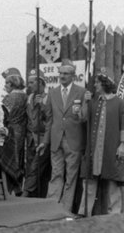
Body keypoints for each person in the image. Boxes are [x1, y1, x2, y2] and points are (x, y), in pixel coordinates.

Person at [37, 59, 87, 212]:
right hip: (56, 140)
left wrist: (80, 113)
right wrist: (45, 142)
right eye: (61, 73)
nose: (62, 76)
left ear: (73, 75)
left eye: (66, 74)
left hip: (74, 141)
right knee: (56, 175)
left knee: (71, 178)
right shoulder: (53, 93)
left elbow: (84, 118)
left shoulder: (82, 92)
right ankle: (51, 210)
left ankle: (65, 210)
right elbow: (49, 120)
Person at [78, 67, 124, 216]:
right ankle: (84, 212)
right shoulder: (93, 102)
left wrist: (122, 145)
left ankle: (114, 214)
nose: (95, 85)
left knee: (113, 182)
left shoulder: (120, 103)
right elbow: (83, 118)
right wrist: (85, 102)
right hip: (94, 149)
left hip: (112, 147)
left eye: (98, 83)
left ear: (105, 83)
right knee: (89, 181)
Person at [22, 69, 51, 198]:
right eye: (29, 82)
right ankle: (32, 194)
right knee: (30, 166)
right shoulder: (29, 98)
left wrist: (43, 106)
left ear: (40, 83)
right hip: (31, 139)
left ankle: (26, 192)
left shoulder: (48, 98)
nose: (29, 85)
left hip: (43, 138)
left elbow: (51, 119)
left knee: (36, 166)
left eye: (32, 82)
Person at [1, 67, 28, 189]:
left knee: (12, 159)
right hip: (22, 130)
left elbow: (3, 116)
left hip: (11, 130)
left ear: (12, 83)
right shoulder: (25, 96)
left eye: (7, 82)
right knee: (20, 158)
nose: (5, 85)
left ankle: (12, 187)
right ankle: (19, 185)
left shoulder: (9, 98)